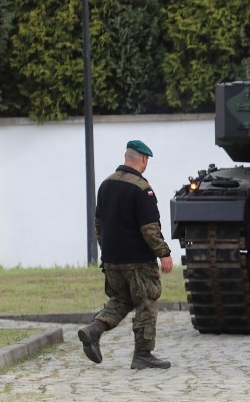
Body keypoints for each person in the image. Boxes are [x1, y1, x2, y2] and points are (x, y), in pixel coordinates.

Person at [78, 140, 174, 370]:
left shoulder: (106, 184)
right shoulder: (142, 188)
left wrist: (107, 249)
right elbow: (149, 228)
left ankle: (93, 330)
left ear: (126, 157)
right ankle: (143, 354)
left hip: (112, 259)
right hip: (138, 261)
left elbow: (98, 223)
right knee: (146, 302)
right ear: (143, 159)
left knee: (121, 300)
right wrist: (164, 253)